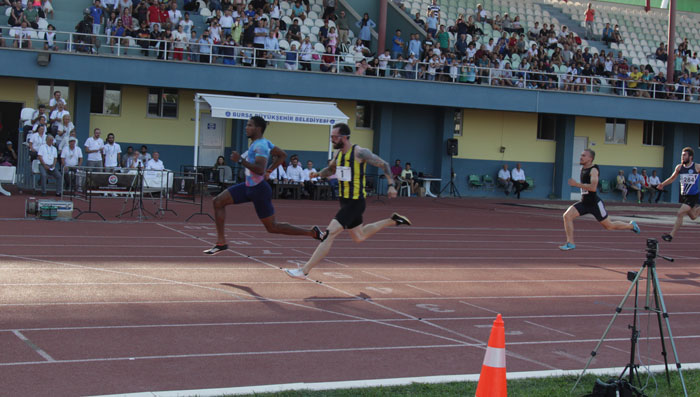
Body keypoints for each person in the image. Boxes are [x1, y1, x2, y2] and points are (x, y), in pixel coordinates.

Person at [283, 123, 410, 279]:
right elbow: (331, 170)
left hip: (355, 202)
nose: (332, 140)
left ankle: (304, 270)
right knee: (359, 236)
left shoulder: (360, 152)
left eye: (334, 137)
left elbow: (384, 164)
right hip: (344, 201)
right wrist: (317, 174)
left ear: (343, 137)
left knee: (329, 233)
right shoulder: (338, 155)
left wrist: (391, 185)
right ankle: (392, 221)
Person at [205, 116, 326, 255]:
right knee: (218, 201)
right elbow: (282, 155)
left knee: (272, 227)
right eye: (246, 125)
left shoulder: (260, 146)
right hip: (248, 186)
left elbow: (259, 169)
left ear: (258, 128)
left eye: (249, 125)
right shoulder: (264, 142)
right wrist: (270, 170)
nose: (246, 127)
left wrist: (241, 161)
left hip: (259, 190)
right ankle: (221, 243)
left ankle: (312, 232)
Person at [559, 149, 639, 250]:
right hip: (584, 203)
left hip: (594, 204)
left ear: (590, 159)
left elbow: (593, 187)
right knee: (567, 216)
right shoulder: (582, 168)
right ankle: (570, 243)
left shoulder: (593, 170)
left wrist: (576, 184)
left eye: (584, 156)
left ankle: (632, 226)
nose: (581, 157)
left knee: (609, 226)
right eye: (581, 155)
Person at [656, 147, 700, 242]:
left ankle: (671, 235)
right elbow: (672, 178)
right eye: (682, 155)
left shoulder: (697, 167)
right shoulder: (679, 167)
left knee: (680, 213)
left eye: (684, 155)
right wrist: (662, 184)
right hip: (684, 195)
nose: (682, 157)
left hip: (693, 196)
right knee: (693, 216)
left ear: (690, 157)